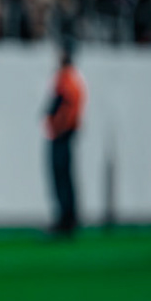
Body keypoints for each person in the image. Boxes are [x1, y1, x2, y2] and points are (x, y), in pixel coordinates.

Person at [45, 44, 85, 237]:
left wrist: (57, 127)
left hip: (62, 134)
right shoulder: (70, 78)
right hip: (63, 133)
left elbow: (66, 106)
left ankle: (66, 218)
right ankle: (67, 216)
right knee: (64, 176)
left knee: (62, 176)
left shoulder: (67, 79)